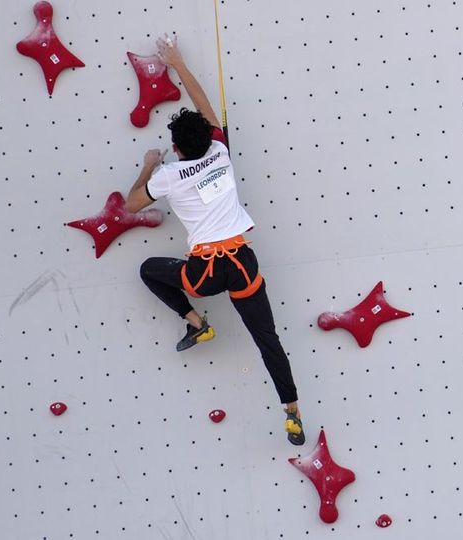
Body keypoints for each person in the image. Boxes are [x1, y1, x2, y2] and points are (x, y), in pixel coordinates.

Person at [124, 35, 305, 446]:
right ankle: (292, 412)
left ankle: (197, 324)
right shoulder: (220, 151)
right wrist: (179, 62)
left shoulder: (167, 174)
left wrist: (148, 166)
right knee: (268, 340)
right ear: (207, 137)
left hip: (203, 273)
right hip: (242, 263)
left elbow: (134, 204)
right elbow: (203, 102)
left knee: (150, 270)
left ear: (175, 148)